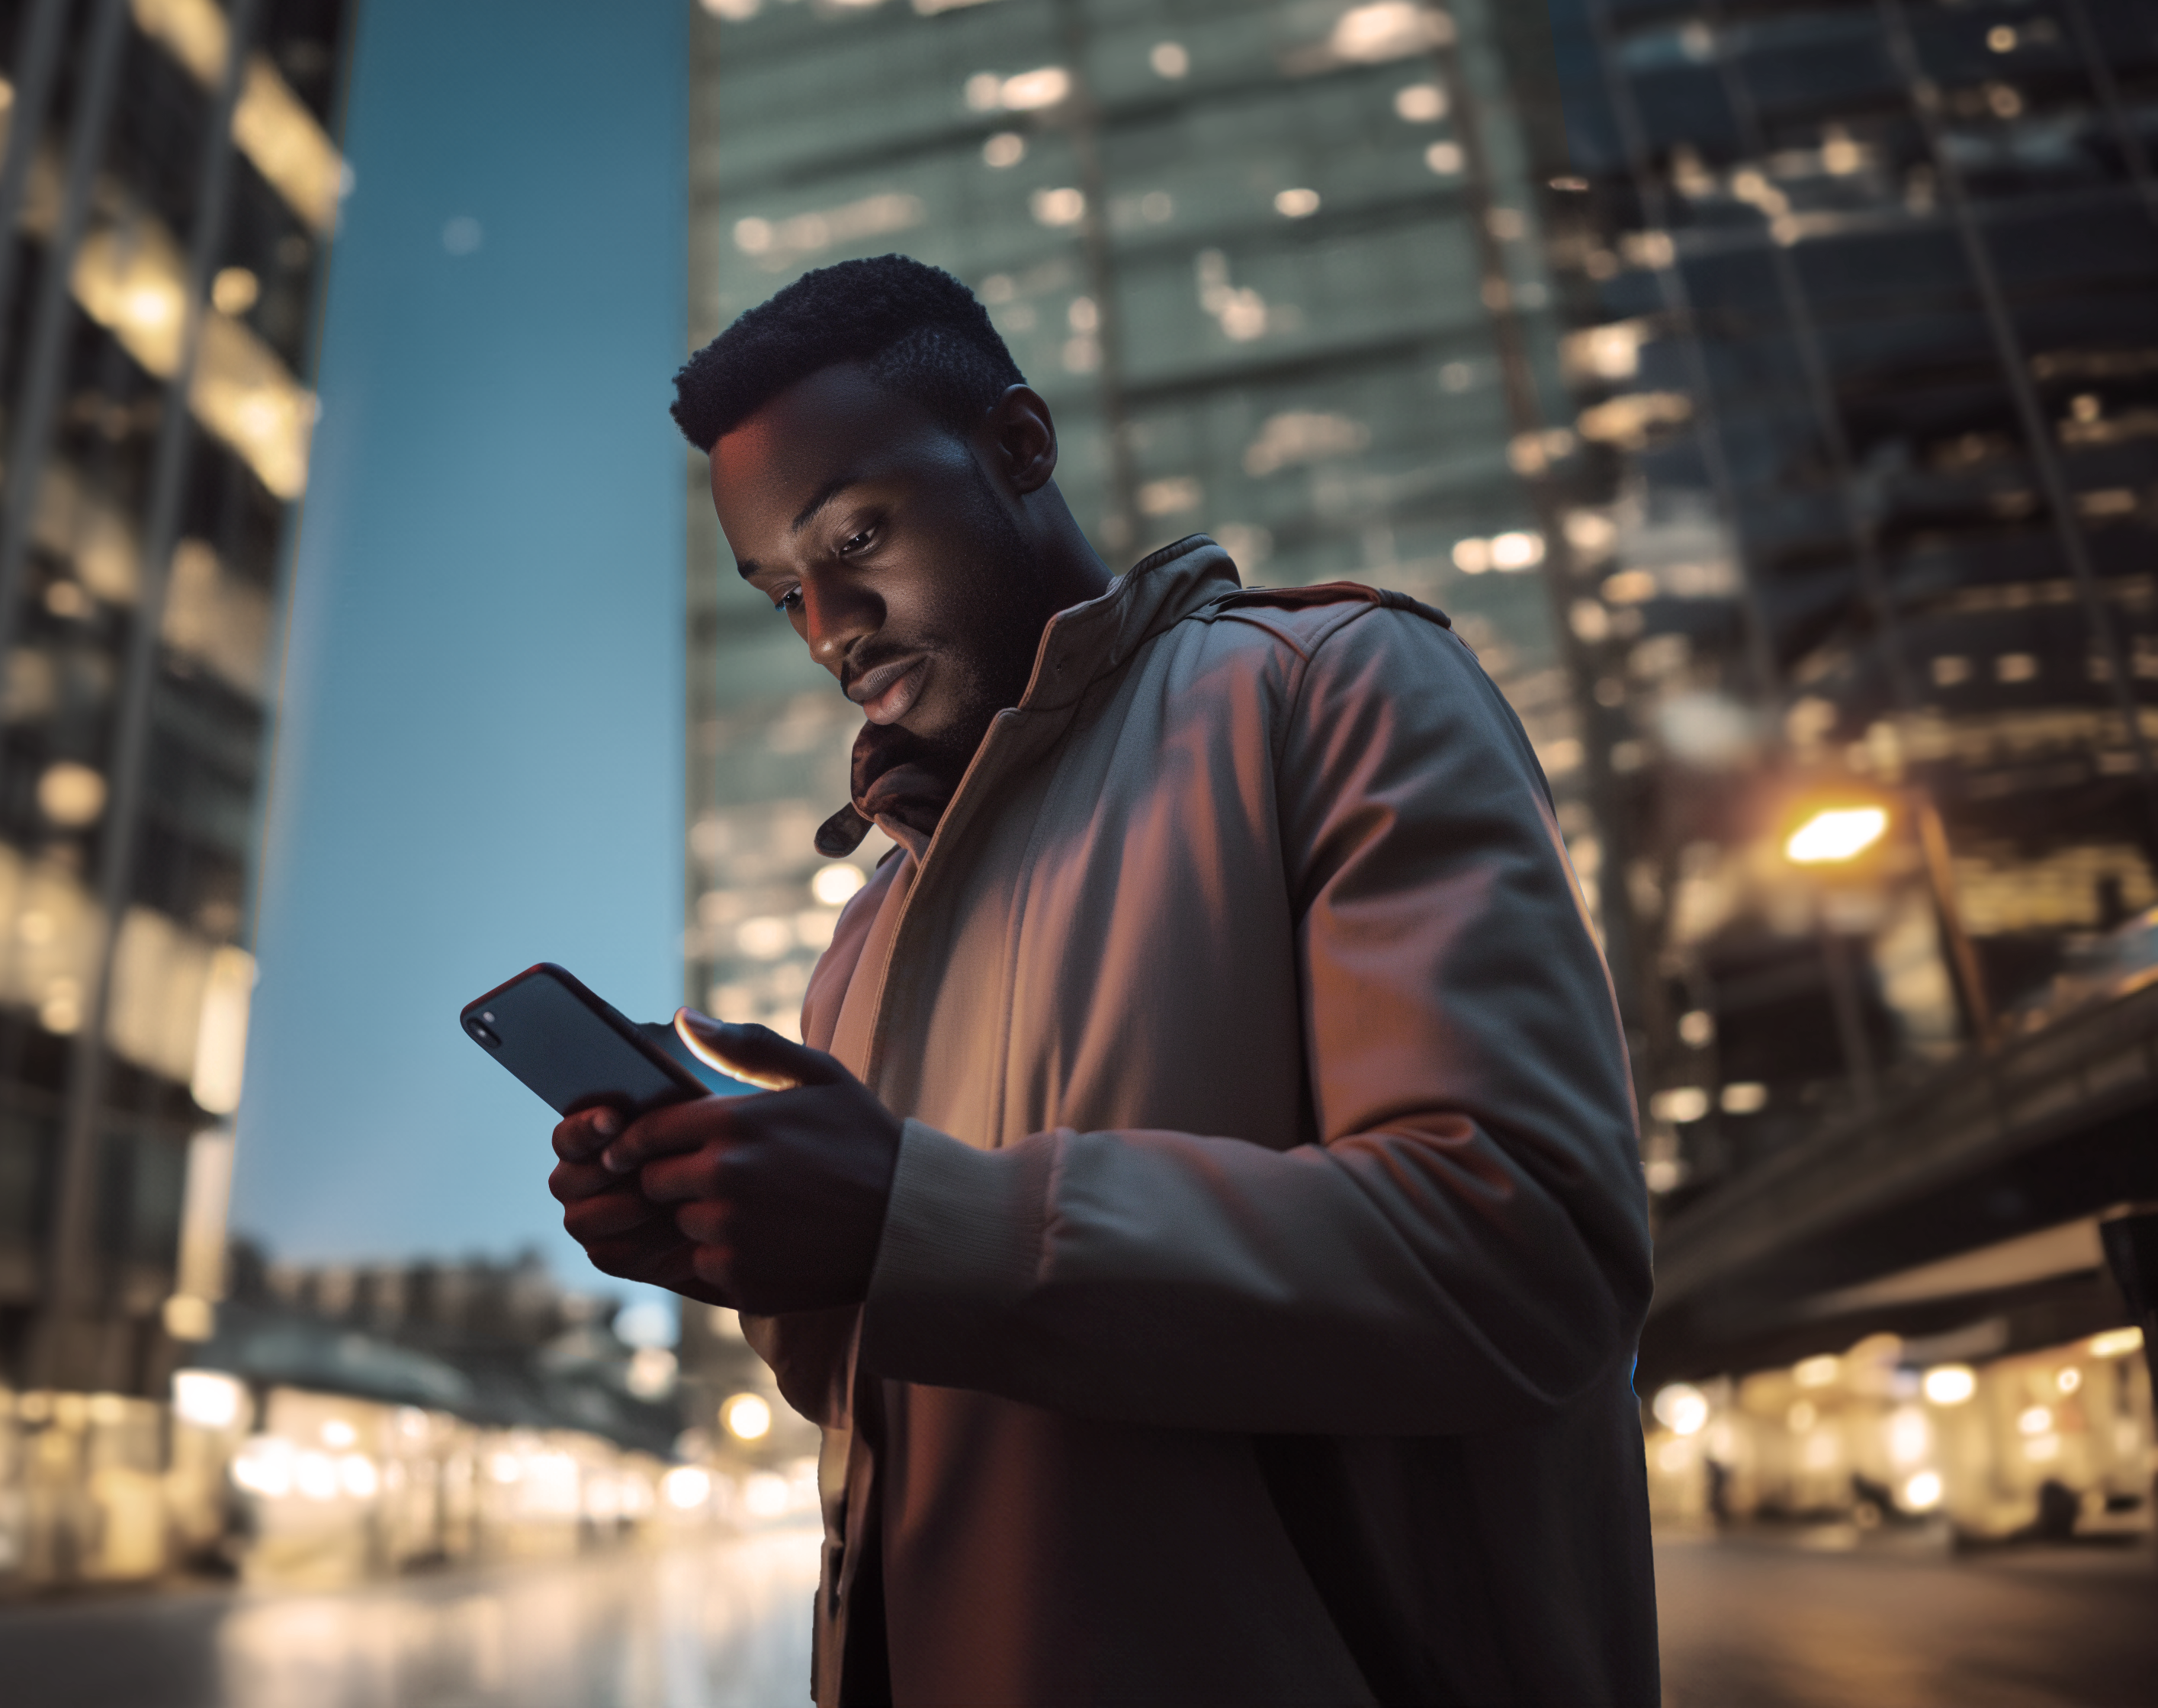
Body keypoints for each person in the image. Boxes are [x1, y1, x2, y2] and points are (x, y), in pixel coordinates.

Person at [548, 255, 1659, 1706]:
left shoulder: (1330, 689)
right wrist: (742, 1243)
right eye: (782, 596)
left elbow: (1528, 1257)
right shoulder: (865, 930)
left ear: (1019, 447)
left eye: (859, 536)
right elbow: (896, 1390)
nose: (830, 628)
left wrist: (903, 1209)